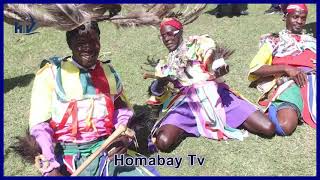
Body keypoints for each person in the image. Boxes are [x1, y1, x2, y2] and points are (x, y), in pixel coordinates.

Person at [27, 21, 158, 176]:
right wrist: (51, 165)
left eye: (93, 41)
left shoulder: (108, 72)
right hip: (67, 156)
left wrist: (122, 138)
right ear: (70, 43)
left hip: (106, 149)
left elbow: (121, 109)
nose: (88, 47)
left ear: (100, 42)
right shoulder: (51, 74)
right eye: (81, 43)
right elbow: (39, 125)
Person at [146, 18, 275, 153]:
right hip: (187, 104)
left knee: (268, 128)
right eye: (163, 36)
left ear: (180, 32)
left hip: (216, 96)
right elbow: (156, 92)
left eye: (171, 33)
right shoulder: (164, 65)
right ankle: (189, 125)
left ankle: (226, 117)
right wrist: (161, 81)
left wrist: (217, 69)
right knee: (163, 142)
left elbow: (210, 57)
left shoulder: (198, 44)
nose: (167, 39)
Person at [248, 4, 316, 136]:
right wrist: (286, 68)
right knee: (284, 126)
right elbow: (255, 68)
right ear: (285, 17)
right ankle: (250, 115)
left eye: (303, 18)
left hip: (314, 79)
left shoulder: (312, 41)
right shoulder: (274, 40)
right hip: (291, 82)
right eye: (295, 17)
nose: (300, 21)